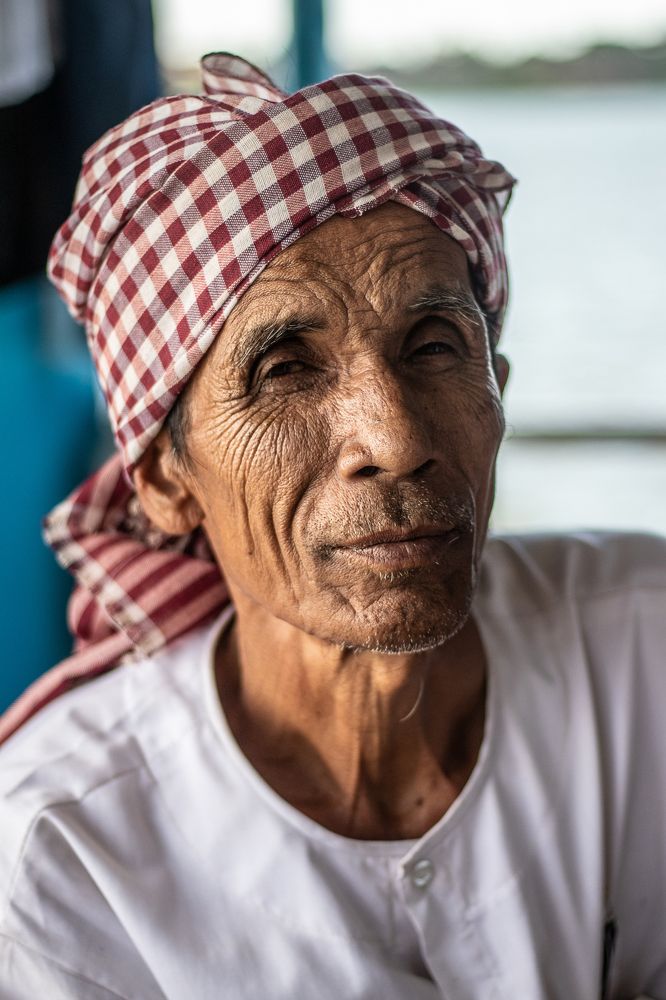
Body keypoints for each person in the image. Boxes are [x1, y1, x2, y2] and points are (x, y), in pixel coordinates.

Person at [0, 53, 664, 1000]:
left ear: (498, 394)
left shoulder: (647, 644)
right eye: (284, 371)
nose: (394, 439)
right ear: (164, 479)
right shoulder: (61, 857)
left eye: (435, 348)